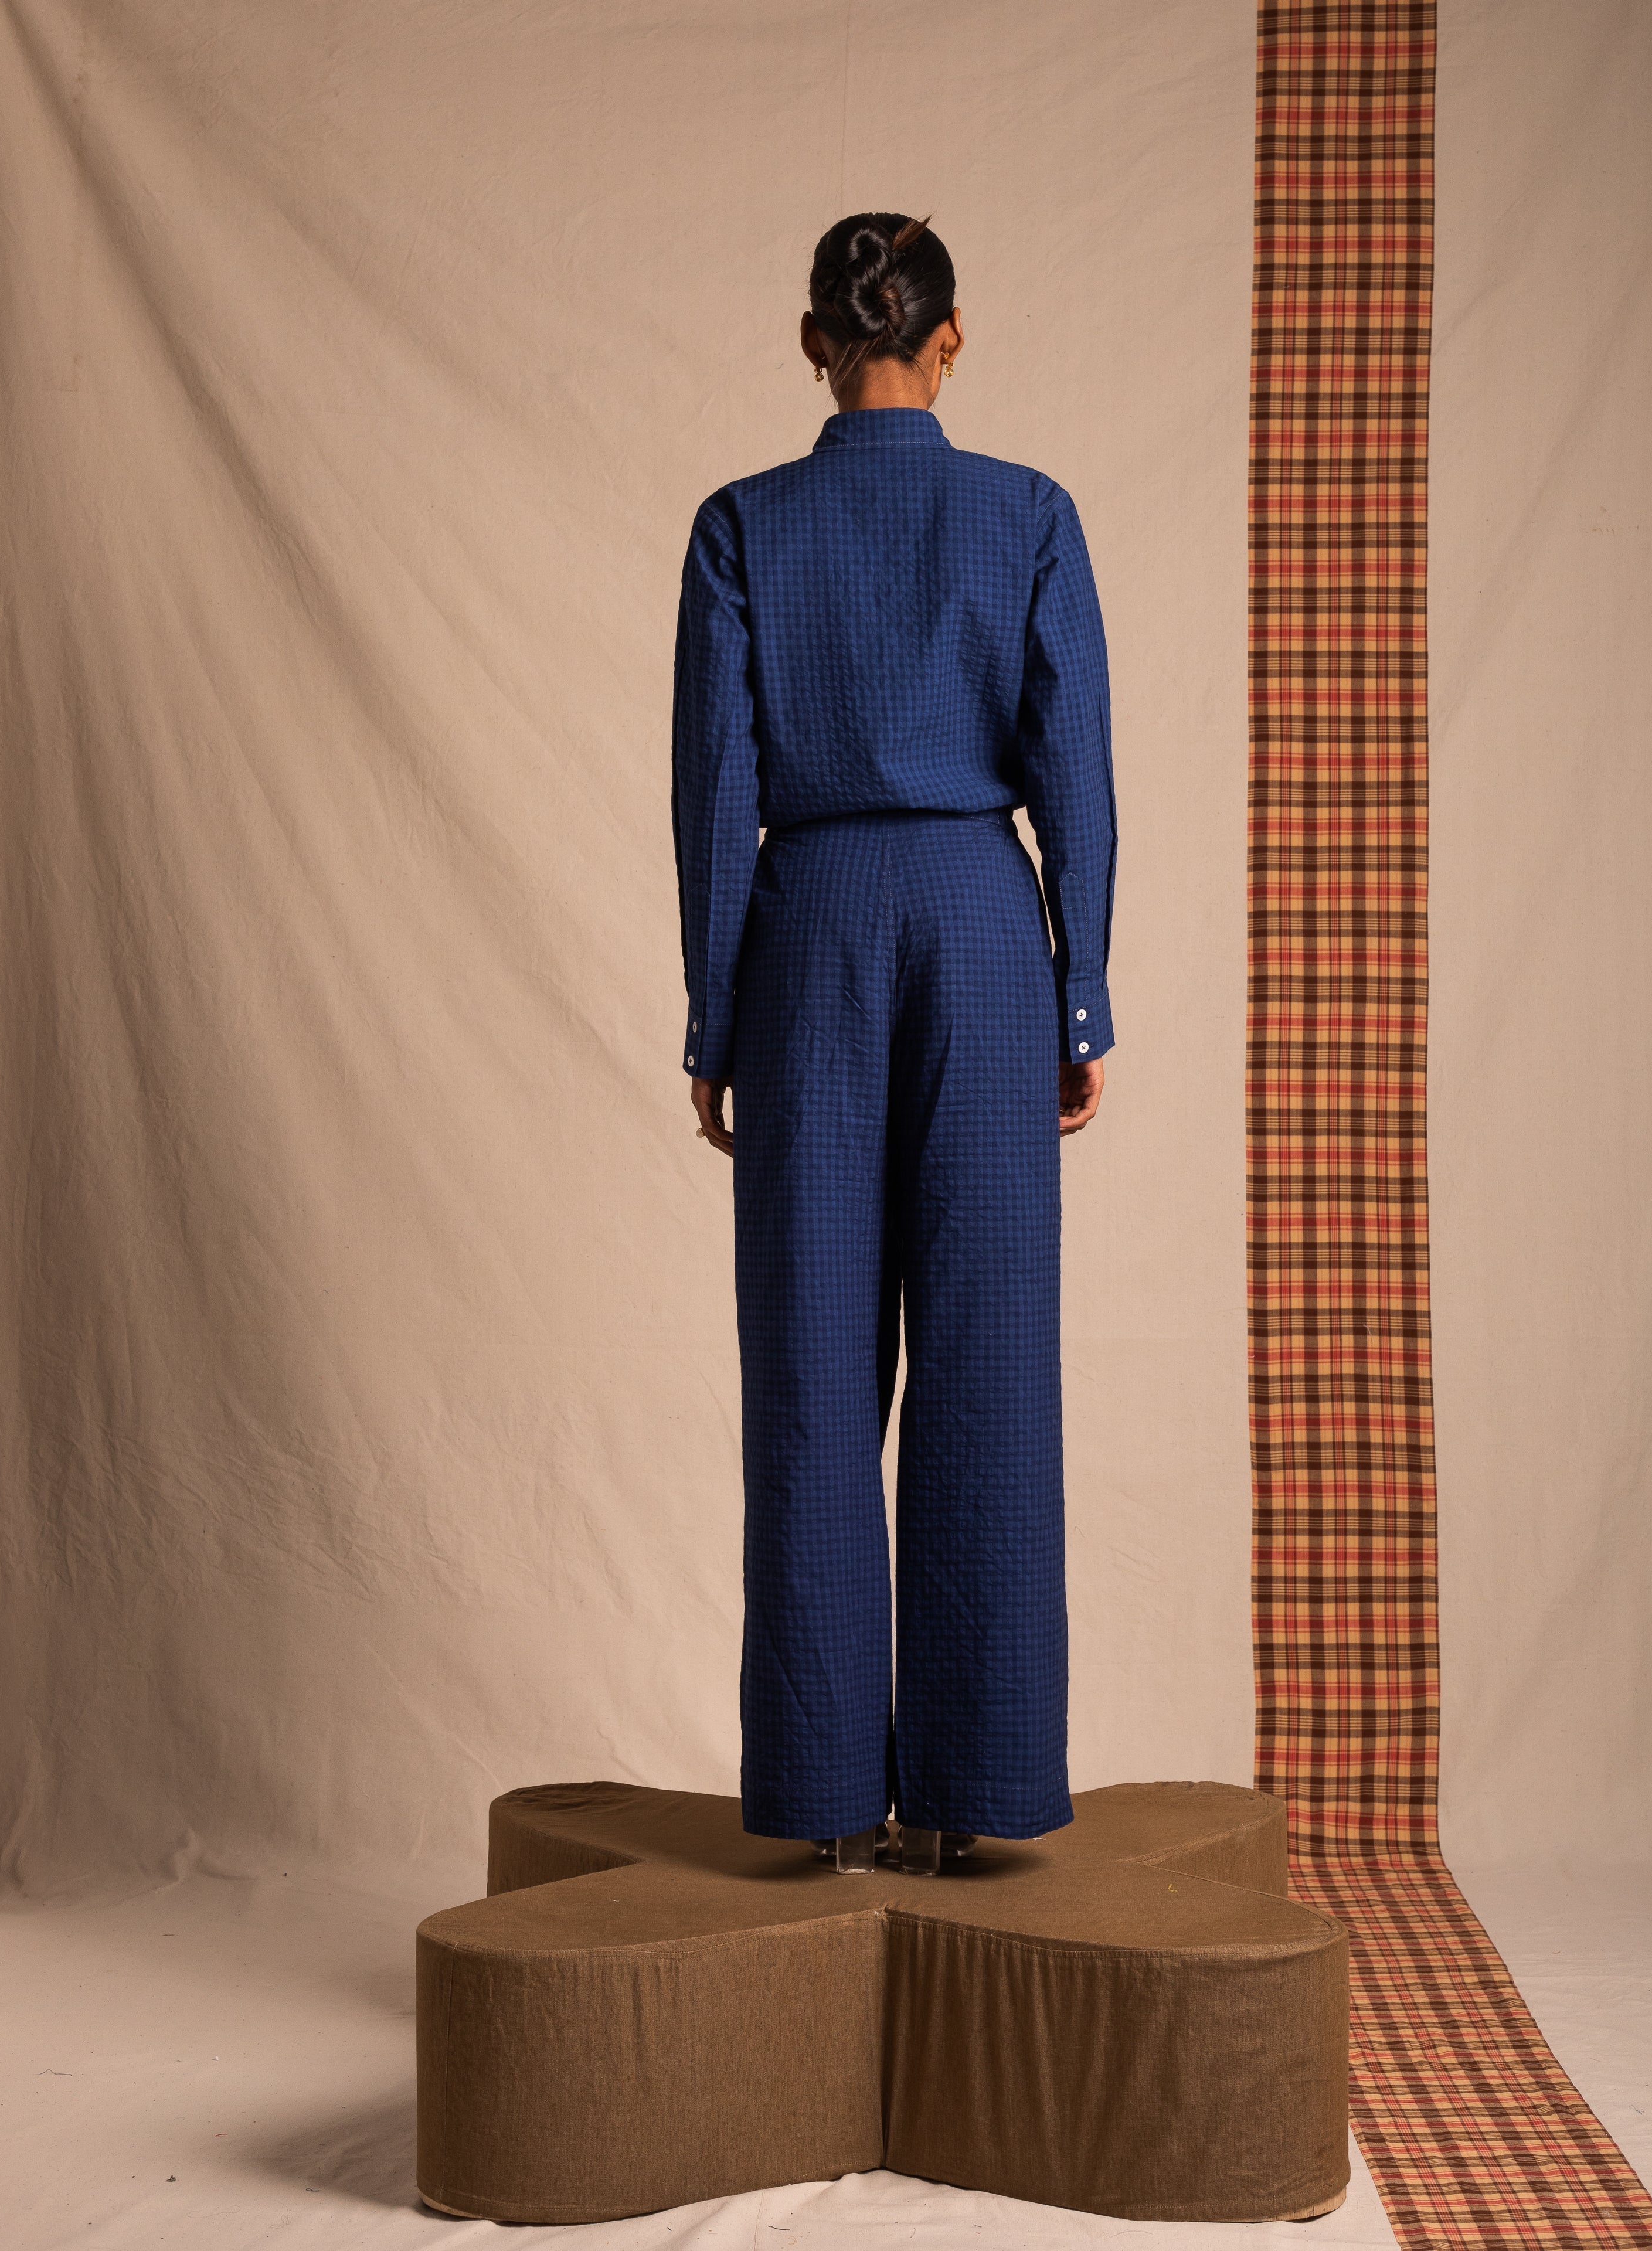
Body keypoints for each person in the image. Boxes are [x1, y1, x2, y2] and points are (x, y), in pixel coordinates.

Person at [671, 213, 1117, 1873]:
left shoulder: (742, 526)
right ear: (951, 337)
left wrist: (718, 1014)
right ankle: (976, 1801)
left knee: (810, 1368)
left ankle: (823, 1809)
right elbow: (1075, 775)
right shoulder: (1030, 514)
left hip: (808, 939)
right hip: (986, 939)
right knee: (991, 1367)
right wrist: (1080, 995)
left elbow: (716, 792)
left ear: (814, 344)